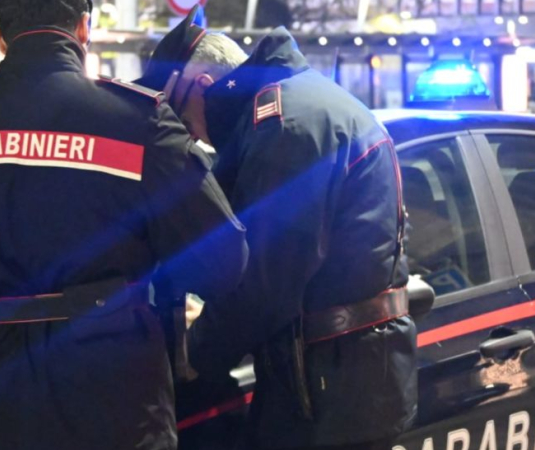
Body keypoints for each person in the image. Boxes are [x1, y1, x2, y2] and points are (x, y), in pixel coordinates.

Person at [0, 0, 247, 449]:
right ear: (83, 28)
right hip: (114, 403)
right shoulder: (138, 122)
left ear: (0, 37)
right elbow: (223, 263)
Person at [139, 8, 416, 450]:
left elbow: (264, 281)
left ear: (203, 86)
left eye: (185, 123)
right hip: (346, 380)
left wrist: (190, 356)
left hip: (330, 396)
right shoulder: (298, 104)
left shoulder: (285, 127)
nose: (196, 138)